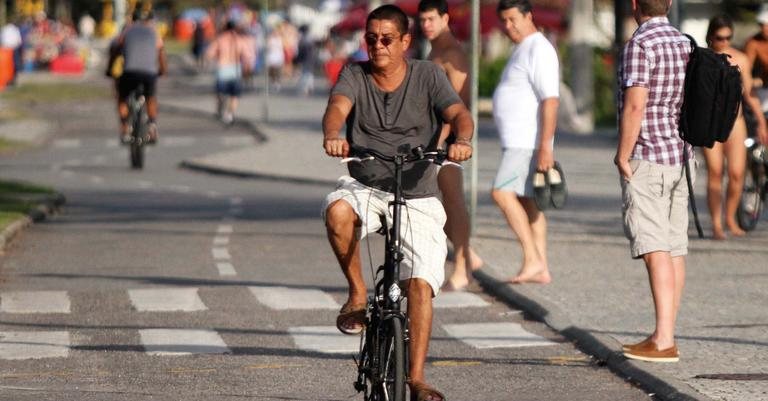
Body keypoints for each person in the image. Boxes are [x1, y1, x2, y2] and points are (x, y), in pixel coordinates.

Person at [321, 5, 473, 400]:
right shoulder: (355, 73)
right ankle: (356, 294)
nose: (377, 46)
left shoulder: (428, 74)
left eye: (387, 39)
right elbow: (337, 107)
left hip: (418, 190)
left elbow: (458, 112)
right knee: (337, 211)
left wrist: (461, 139)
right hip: (367, 184)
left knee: (420, 284)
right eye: (371, 38)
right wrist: (334, 133)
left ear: (405, 41)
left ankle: (416, 379)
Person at [615, 0, 692, 363]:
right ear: (670, 3)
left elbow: (635, 104)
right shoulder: (684, 42)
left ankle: (663, 340)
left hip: (648, 155)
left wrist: (622, 154)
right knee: (674, 247)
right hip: (681, 156)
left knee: (654, 247)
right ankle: (666, 333)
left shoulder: (641, 44)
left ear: (634, 5)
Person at [418, 0, 484, 292]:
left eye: (431, 19)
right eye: (422, 20)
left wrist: (441, 139)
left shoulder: (452, 53)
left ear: (445, 18)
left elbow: (458, 104)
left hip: (451, 139)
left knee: (453, 202)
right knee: (438, 205)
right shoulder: (434, 50)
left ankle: (461, 267)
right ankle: (468, 255)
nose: (426, 25)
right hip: (432, 137)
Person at [491, 0, 559, 284]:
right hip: (519, 141)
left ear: (528, 16)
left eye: (513, 19)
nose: (508, 26)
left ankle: (532, 258)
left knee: (501, 193)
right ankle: (540, 266)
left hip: (527, 142)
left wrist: (545, 146)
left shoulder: (538, 48)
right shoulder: (523, 48)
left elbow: (550, 100)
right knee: (529, 202)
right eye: (504, 21)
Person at [703, 16, 768, 240]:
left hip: (735, 122)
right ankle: (716, 224)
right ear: (711, 37)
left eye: (728, 38)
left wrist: (760, 122)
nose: (724, 42)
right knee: (715, 172)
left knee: (737, 173)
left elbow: (749, 95)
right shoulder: (702, 60)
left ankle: (730, 217)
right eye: (720, 38)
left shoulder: (740, 58)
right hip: (710, 123)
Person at [109, 9, 166, 144]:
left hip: (129, 72)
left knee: (122, 96)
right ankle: (152, 127)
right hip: (149, 73)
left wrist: (109, 68)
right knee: (151, 97)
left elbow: (116, 49)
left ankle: (124, 127)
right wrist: (162, 70)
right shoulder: (154, 33)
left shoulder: (127, 31)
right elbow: (161, 53)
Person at [205, 20, 255, 125]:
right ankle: (230, 114)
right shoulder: (240, 40)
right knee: (234, 95)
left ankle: (220, 109)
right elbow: (247, 56)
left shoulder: (220, 39)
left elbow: (209, 53)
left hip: (222, 68)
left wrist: (213, 59)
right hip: (235, 69)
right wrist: (247, 68)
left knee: (221, 93)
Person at [745, 8, 768, 90]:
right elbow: (746, 67)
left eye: (767, 25)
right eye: (762, 25)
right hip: (763, 88)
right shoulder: (753, 43)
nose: (764, 28)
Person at [295, 25, 317, 96]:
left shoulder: (304, 39)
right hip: (311, 59)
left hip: (306, 60)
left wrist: (298, 59)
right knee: (309, 74)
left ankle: (306, 89)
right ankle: (310, 87)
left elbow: (302, 52)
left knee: (305, 74)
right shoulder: (310, 38)